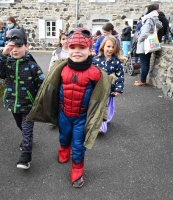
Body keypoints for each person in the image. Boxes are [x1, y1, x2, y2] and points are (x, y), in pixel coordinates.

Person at [27, 28, 113, 188]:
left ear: (90, 49)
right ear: (67, 48)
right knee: (64, 137)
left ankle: (77, 169)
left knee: (79, 145)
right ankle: (63, 149)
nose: (77, 51)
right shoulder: (61, 68)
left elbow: (101, 95)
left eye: (82, 48)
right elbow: (49, 87)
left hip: (82, 116)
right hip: (63, 113)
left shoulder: (96, 74)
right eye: (73, 47)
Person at [0, 28, 45, 169]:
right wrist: (3, 53)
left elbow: (42, 84)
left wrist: (42, 102)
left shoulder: (32, 65)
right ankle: (27, 140)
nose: (15, 50)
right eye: (11, 47)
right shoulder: (7, 63)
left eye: (19, 47)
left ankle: (26, 156)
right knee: (20, 125)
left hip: (28, 104)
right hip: (13, 103)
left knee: (26, 129)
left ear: (26, 46)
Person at [92, 35, 126, 134]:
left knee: (104, 107)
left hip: (108, 89)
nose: (110, 49)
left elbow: (120, 77)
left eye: (113, 47)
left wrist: (118, 89)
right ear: (103, 46)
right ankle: (93, 122)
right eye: (108, 46)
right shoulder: (95, 60)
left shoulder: (117, 62)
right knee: (95, 106)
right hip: (96, 88)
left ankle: (101, 127)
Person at [134, 4, 162, 86]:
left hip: (144, 44)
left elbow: (145, 33)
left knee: (144, 63)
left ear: (149, 10)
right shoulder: (155, 19)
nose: (144, 11)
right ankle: (142, 80)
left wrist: (139, 40)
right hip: (149, 44)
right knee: (146, 62)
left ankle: (142, 81)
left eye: (146, 9)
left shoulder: (149, 19)